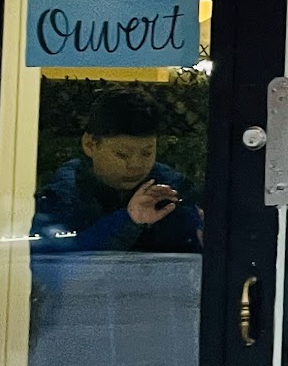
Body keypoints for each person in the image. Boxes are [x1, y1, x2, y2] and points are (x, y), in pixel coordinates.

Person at [31, 90, 204, 254]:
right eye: (122, 154)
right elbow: (52, 260)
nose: (135, 165)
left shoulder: (173, 190)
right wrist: (128, 220)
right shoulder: (63, 195)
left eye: (147, 153)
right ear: (89, 145)